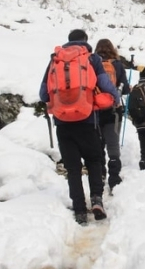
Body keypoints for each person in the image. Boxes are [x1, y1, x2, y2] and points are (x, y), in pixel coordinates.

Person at [39, 29, 116, 225]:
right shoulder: (92, 58)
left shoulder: (55, 60)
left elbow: (43, 94)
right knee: (94, 161)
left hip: (63, 123)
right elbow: (105, 83)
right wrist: (115, 97)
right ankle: (96, 200)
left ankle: (80, 210)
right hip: (87, 120)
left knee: (73, 169)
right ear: (85, 40)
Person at [94, 38, 128, 192]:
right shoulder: (117, 64)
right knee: (113, 145)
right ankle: (114, 179)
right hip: (113, 110)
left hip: (95, 110)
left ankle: (100, 175)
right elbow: (125, 89)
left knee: (98, 144)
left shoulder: (92, 63)